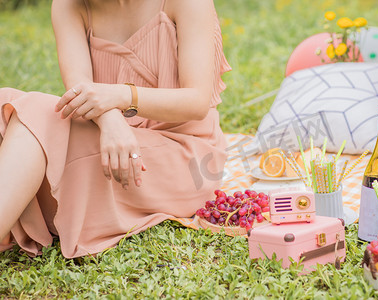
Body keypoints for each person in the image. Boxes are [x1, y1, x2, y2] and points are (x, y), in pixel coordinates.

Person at [0, 0, 231, 258]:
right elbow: (80, 88)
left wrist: (120, 96)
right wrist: (110, 120)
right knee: (10, 107)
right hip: (109, 141)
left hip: (184, 157)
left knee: (33, 114)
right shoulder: (69, 5)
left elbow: (197, 101)